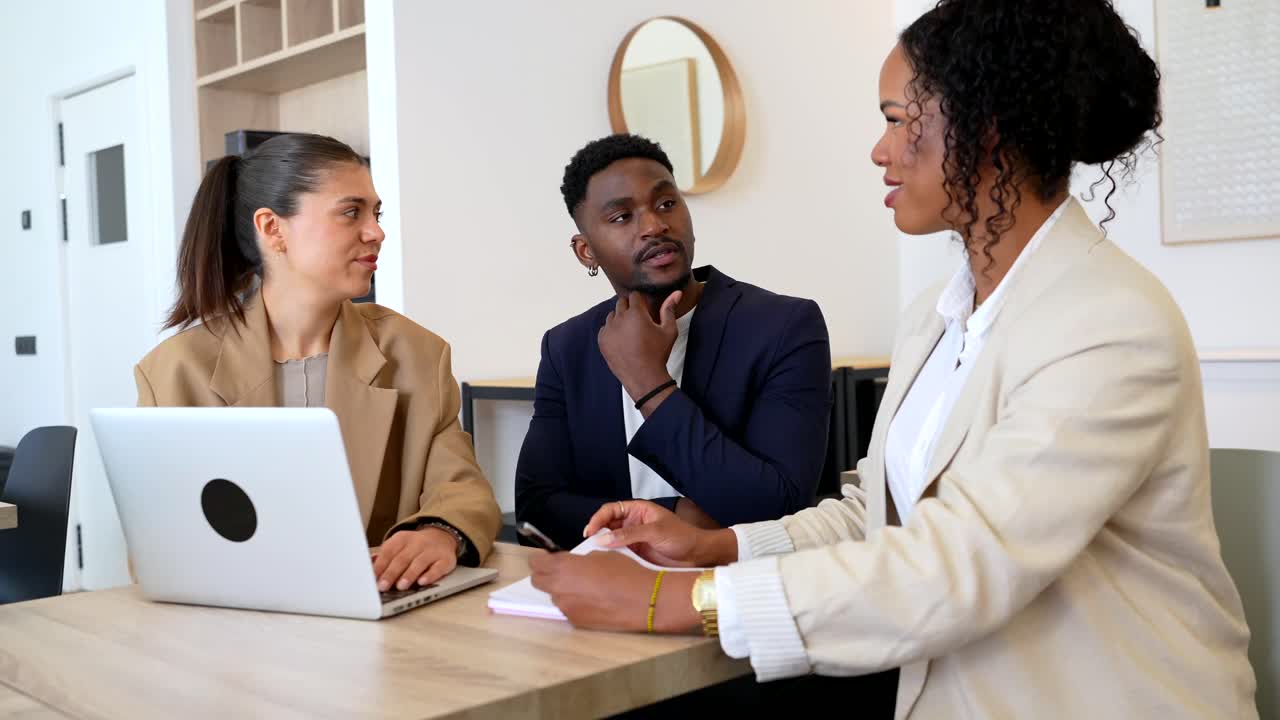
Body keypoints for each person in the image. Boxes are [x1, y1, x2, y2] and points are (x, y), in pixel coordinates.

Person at [527, 2, 1260, 718]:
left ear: (986, 127)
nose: (879, 151)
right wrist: (712, 547)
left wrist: (680, 601)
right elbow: (877, 514)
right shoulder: (937, 320)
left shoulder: (1108, 323)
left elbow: (958, 563)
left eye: (896, 119)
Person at [135, 133, 501, 593]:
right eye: (351, 212)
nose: (377, 232)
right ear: (272, 229)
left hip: (382, 621)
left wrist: (439, 532)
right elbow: (158, 542)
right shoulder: (174, 372)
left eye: (376, 212)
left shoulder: (417, 353)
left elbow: (462, 487)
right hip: (235, 625)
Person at [514, 133, 835, 552]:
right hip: (610, 587)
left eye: (667, 204)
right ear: (585, 251)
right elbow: (536, 509)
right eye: (622, 217)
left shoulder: (783, 327)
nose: (654, 226)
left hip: (742, 592)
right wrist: (677, 515)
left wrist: (649, 383)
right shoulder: (567, 347)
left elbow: (779, 505)